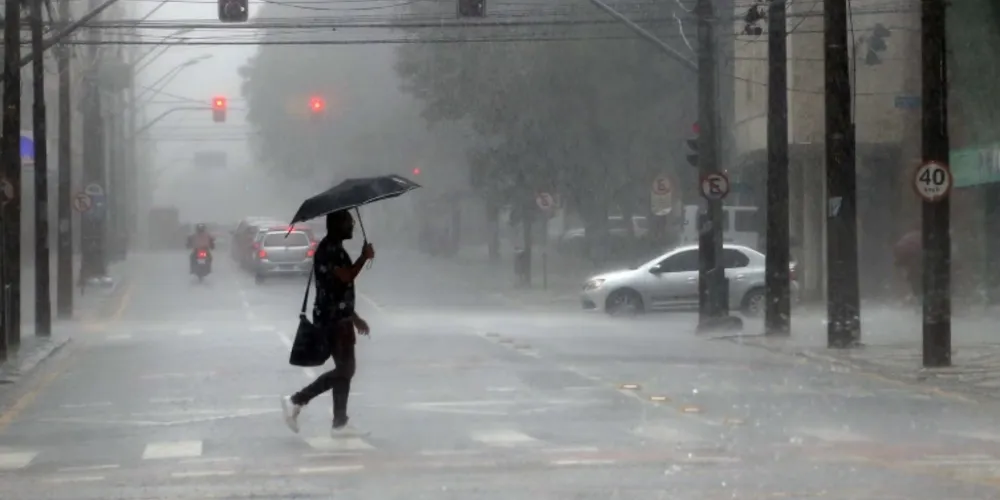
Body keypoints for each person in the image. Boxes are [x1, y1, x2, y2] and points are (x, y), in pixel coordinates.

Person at [281, 210, 375, 436]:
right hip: (332, 320)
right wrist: (364, 257)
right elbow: (345, 277)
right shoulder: (328, 250)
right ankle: (297, 400)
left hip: (340, 317)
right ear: (336, 225)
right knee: (345, 369)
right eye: (348, 222)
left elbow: (338, 290)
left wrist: (354, 317)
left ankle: (340, 423)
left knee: (346, 369)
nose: (352, 225)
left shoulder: (335, 248)